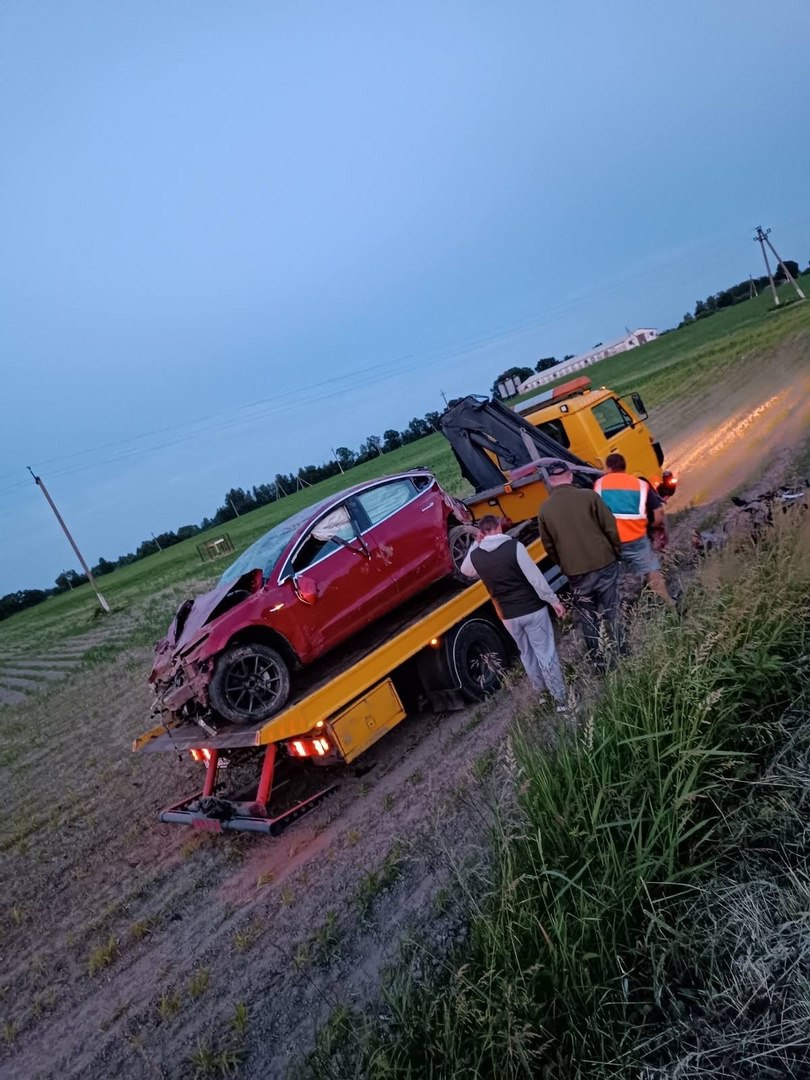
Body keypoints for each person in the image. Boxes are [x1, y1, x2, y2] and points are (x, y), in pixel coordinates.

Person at [460, 515, 568, 709]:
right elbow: (536, 579)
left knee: (526, 654)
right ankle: (560, 700)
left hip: (508, 616)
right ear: (499, 527)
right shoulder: (514, 547)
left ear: (482, 533)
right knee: (546, 653)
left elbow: (465, 569)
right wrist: (554, 601)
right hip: (532, 609)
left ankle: (542, 695)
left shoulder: (476, 556)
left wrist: (475, 545)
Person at [536, 460, 623, 670]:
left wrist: (565, 563)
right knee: (613, 609)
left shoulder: (545, 510)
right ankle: (622, 651)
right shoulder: (589, 496)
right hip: (604, 562)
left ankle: (599, 662)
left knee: (587, 616)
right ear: (570, 476)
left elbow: (549, 546)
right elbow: (610, 527)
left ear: (551, 481)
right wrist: (616, 552)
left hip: (575, 572)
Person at [593, 453, 675, 608]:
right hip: (636, 538)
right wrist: (652, 528)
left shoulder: (598, 485)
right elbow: (658, 514)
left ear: (608, 467)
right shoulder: (640, 484)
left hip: (611, 541)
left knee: (616, 578)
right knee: (651, 569)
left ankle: (619, 612)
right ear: (625, 467)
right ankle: (668, 603)